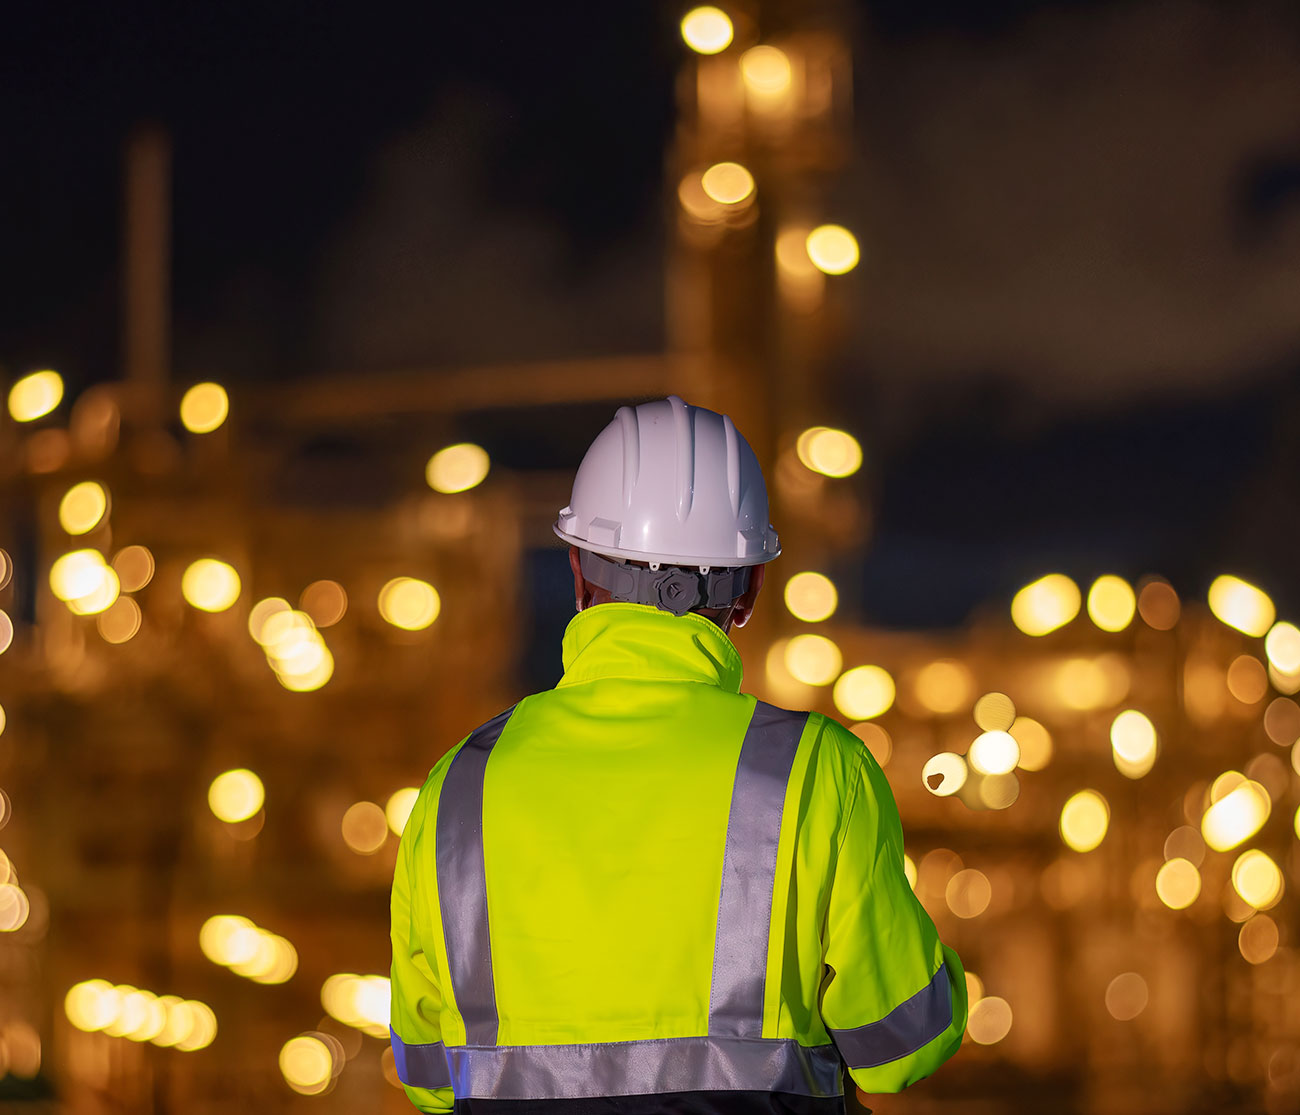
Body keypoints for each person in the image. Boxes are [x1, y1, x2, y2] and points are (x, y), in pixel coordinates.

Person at [390, 396, 967, 1115]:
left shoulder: (458, 789)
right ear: (751, 588)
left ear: (577, 573)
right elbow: (899, 1046)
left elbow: (427, 1073)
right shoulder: (816, 770)